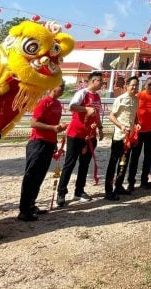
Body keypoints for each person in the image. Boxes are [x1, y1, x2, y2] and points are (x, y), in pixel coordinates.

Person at [18, 81, 67, 221]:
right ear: (52, 87)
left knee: (39, 176)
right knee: (31, 176)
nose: (62, 90)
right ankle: (24, 210)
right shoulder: (44, 102)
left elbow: (54, 125)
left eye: (64, 87)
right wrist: (53, 128)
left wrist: (55, 139)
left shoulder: (58, 104)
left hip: (49, 143)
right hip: (37, 143)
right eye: (60, 87)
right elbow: (34, 123)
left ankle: (32, 204)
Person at [56, 71, 104, 206]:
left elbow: (97, 115)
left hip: (90, 136)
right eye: (100, 81)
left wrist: (100, 128)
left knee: (84, 164)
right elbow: (72, 107)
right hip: (76, 134)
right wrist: (85, 109)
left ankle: (79, 191)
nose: (102, 83)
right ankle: (61, 192)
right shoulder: (82, 93)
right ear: (93, 81)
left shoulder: (97, 97)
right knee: (70, 163)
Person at [127, 76, 151, 191]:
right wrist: (135, 123)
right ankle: (131, 182)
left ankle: (144, 181)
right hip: (138, 132)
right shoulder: (139, 96)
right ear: (145, 85)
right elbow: (132, 112)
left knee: (148, 157)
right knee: (134, 157)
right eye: (149, 84)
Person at [105, 76, 139, 199]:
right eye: (132, 85)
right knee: (113, 162)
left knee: (124, 162)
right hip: (119, 136)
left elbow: (134, 116)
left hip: (129, 138)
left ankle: (118, 186)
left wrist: (137, 124)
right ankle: (108, 190)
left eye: (136, 85)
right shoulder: (120, 99)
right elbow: (111, 116)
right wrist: (121, 126)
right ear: (127, 86)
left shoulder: (136, 100)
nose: (134, 87)